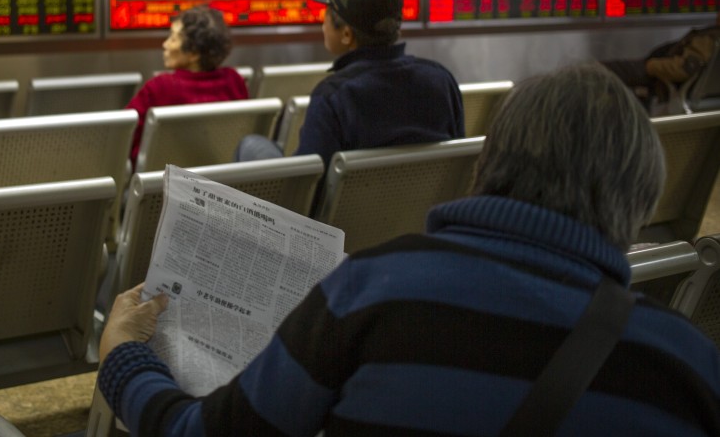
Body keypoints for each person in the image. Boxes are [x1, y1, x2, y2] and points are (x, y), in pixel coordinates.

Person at [97, 63, 720, 435]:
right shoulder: (689, 367)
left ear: (488, 163)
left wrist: (125, 358)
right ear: (640, 199)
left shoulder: (371, 291)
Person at [237, 0, 464, 167]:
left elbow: (306, 191)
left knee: (251, 145)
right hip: (420, 211)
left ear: (346, 34)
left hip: (336, 216)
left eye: (326, 14)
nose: (323, 24)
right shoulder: (441, 80)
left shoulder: (333, 97)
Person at [126, 5, 248, 165]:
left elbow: (123, 138)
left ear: (194, 53)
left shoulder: (160, 88)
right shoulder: (234, 81)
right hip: (220, 183)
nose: (165, 44)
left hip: (163, 186)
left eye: (173, 38)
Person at [603, 9, 720, 110]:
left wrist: (651, 66)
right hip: (664, 73)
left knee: (609, 71)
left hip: (660, 76)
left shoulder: (710, 39)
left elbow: (684, 69)